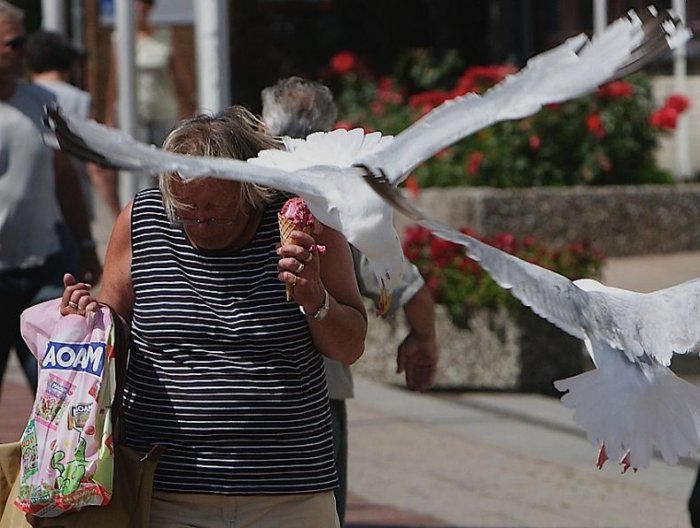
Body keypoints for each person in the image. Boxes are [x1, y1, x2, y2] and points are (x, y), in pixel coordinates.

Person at [60, 105, 367, 527]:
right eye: (186, 208)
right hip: (166, 488)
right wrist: (85, 318)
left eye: (216, 208)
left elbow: (350, 346)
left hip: (289, 492)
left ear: (250, 189)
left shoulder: (306, 223)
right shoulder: (143, 222)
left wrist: (316, 298)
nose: (201, 220)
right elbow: (112, 330)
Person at [262, 75, 439, 525]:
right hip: (320, 393)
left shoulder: (247, 188)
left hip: (241, 397)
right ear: (329, 127)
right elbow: (409, 288)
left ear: (266, 125)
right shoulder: (344, 201)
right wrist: (423, 340)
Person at [0, 2, 101, 398]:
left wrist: (88, 245)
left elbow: (65, 179)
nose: (23, 52)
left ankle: (52, 461)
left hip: (45, 270)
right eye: (13, 43)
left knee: (58, 391)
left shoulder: (42, 103)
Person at [26, 29, 122, 220]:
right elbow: (96, 165)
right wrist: (118, 214)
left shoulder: (21, 97)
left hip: (31, 203)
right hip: (74, 206)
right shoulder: (80, 100)